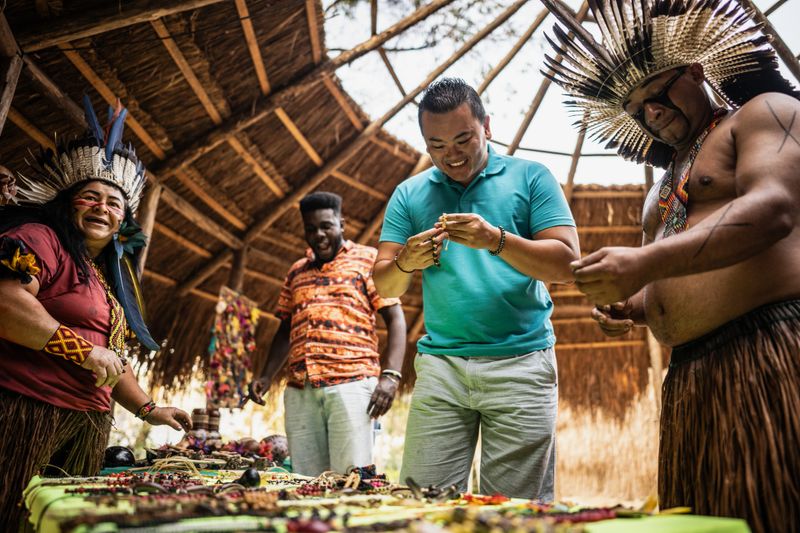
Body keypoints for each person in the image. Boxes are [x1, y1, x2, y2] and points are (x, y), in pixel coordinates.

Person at [542, 0, 800, 530]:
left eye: (657, 94)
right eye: (637, 111)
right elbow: (668, 273)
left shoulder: (762, 113)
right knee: (702, 519)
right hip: (690, 380)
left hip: (769, 349)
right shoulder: (663, 185)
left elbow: (774, 208)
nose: (651, 114)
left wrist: (643, 261)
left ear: (696, 72)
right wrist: (630, 305)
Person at [373, 78, 579, 500]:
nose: (452, 155)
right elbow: (383, 284)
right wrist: (405, 261)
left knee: (515, 512)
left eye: (463, 138)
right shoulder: (410, 194)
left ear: (487, 125)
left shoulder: (532, 178)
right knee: (420, 504)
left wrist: (495, 240)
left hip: (522, 363)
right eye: (438, 145)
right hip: (441, 368)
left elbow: (568, 264)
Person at [0, 97, 191, 531]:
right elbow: (6, 303)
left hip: (84, 426)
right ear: (68, 204)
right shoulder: (39, 238)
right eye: (91, 197)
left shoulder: (108, 279)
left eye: (114, 203)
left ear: (124, 220)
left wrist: (149, 409)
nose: (103, 208)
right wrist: (82, 349)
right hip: (25, 413)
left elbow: (111, 359)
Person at [248, 191, 406, 476]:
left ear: (341, 224)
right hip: (300, 389)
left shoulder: (368, 261)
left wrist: (391, 376)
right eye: (311, 229)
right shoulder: (296, 272)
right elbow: (286, 329)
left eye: (326, 226)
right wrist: (265, 375)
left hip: (353, 384)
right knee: (306, 478)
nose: (318, 234)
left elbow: (395, 318)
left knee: (351, 477)